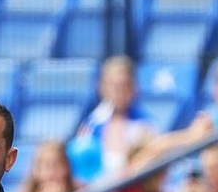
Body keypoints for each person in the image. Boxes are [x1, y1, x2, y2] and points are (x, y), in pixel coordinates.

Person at [67, 55, 159, 184]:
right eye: (112, 85)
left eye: (124, 85)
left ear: (134, 87)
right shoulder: (91, 124)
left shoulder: (146, 126)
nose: (118, 92)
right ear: (101, 87)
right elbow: (80, 170)